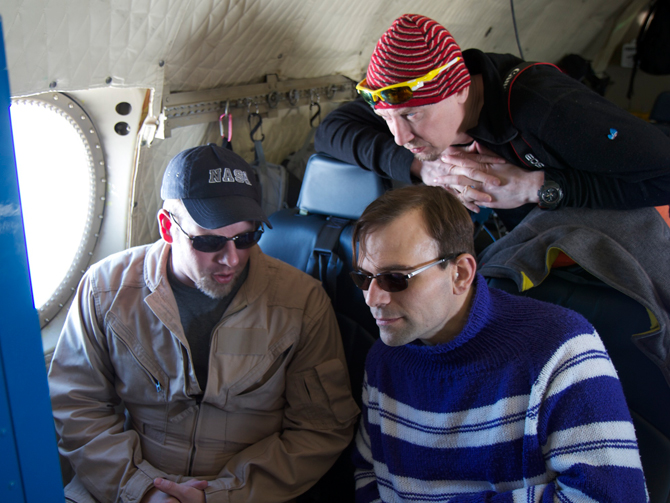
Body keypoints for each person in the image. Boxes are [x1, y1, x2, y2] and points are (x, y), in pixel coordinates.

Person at [48, 143, 359, 503]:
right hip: (126, 481)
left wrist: (222, 495)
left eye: (247, 238)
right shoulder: (105, 289)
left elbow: (320, 428)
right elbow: (77, 406)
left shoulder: (302, 302)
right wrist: (141, 491)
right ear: (167, 227)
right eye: (210, 241)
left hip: (249, 492)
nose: (232, 258)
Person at [349, 184, 648, 502]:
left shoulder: (559, 347)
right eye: (363, 278)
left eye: (395, 278)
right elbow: (369, 476)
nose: (372, 298)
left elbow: (616, 496)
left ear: (460, 273)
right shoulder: (384, 358)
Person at [315, 13, 670, 229]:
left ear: (460, 89)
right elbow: (331, 129)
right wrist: (423, 167)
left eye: (411, 116)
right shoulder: (407, 104)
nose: (400, 136)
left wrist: (536, 187)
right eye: (386, 118)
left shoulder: (547, 109)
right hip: (532, 242)